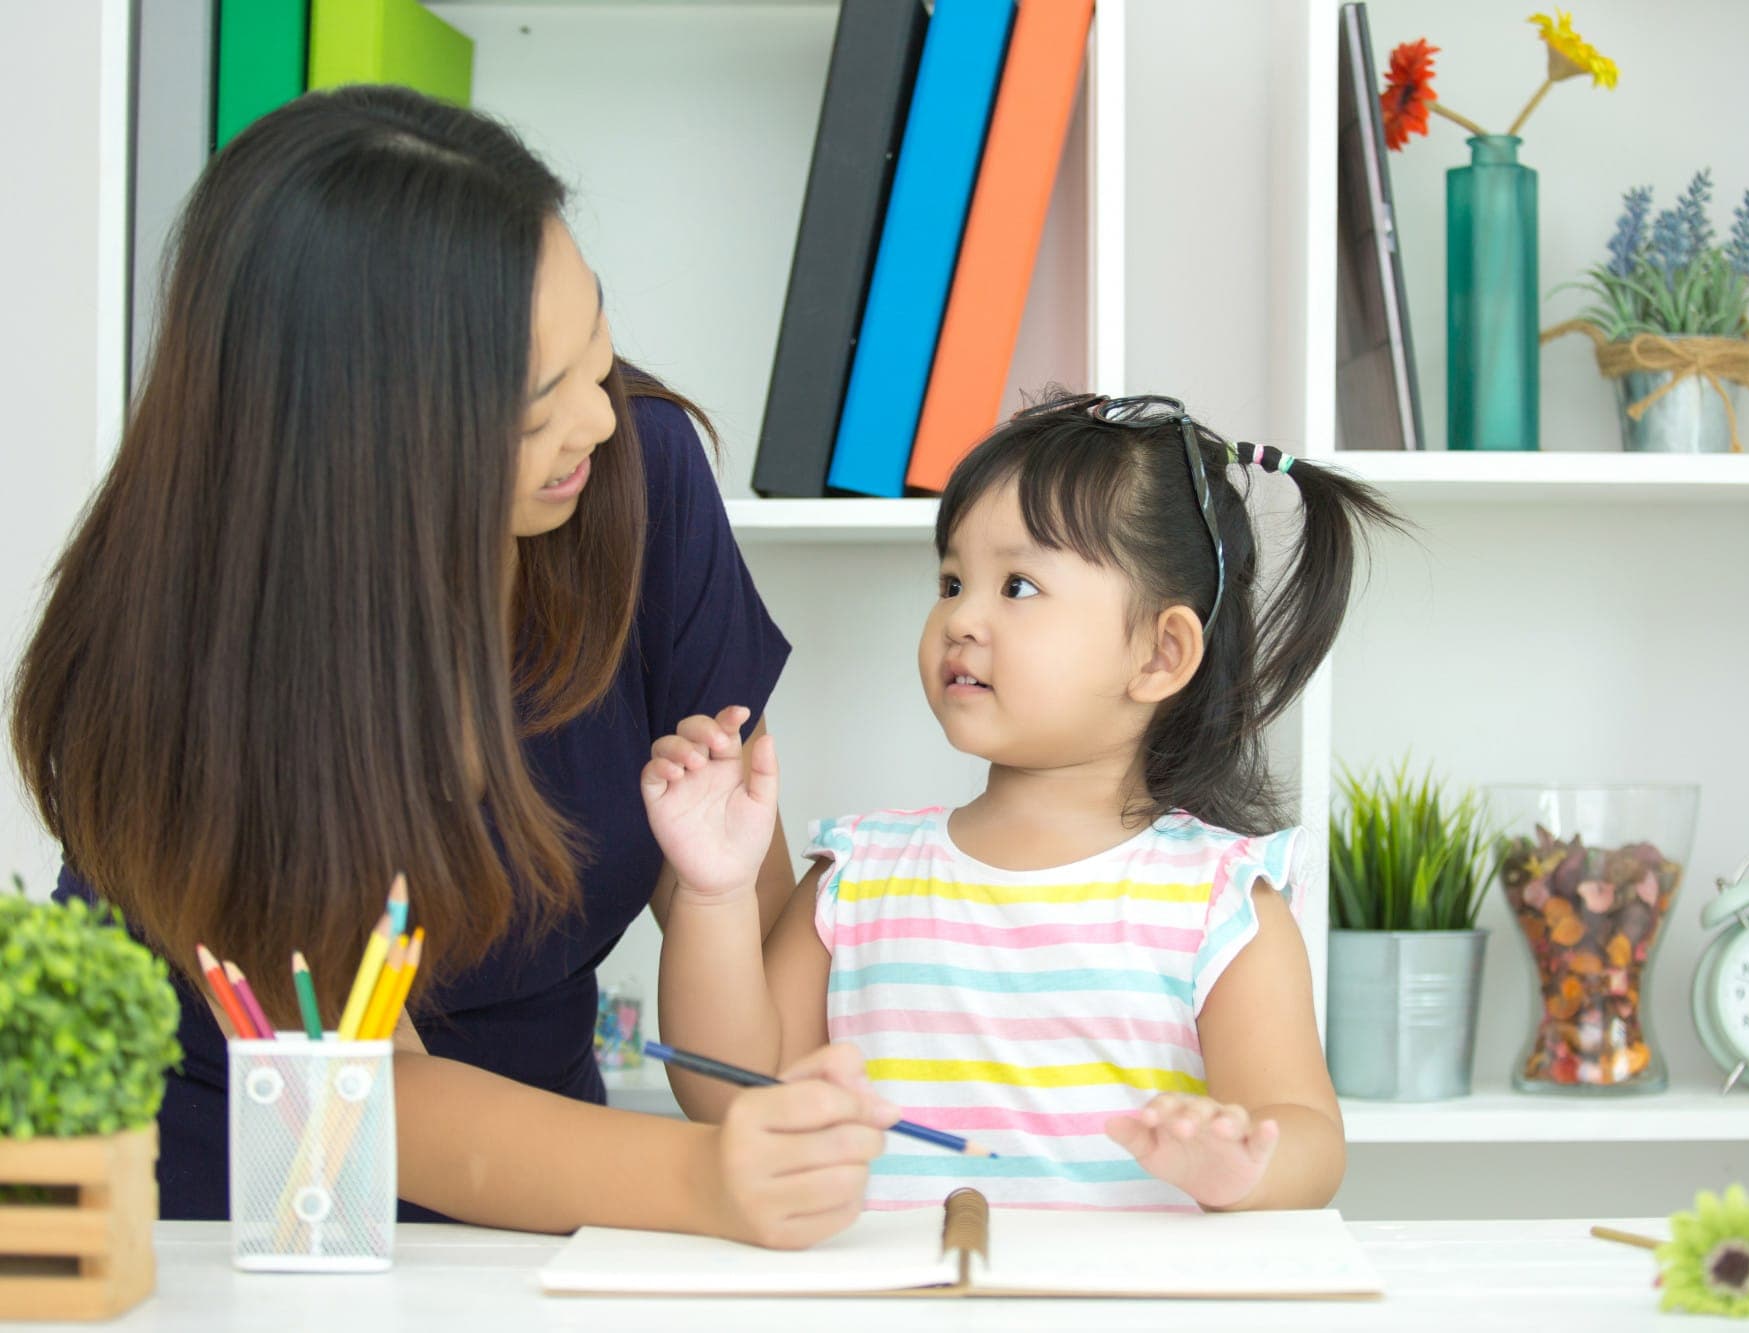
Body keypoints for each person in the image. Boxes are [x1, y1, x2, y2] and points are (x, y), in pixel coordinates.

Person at [10, 84, 893, 1248]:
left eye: (597, 342)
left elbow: (735, 941)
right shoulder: (209, 660)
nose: (596, 418)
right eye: (536, 407)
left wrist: (771, 1115)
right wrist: (706, 1181)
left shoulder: (634, 478)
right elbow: (371, 1092)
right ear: (369, 447)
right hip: (238, 1224)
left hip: (559, 1200)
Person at [645, 392, 1396, 1210]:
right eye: (952, 578)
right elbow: (731, 1094)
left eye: (1019, 586)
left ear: (1160, 652)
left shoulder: (1219, 903)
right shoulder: (857, 878)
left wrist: (1242, 1165)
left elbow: (1311, 1141)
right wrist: (714, 893)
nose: (961, 615)